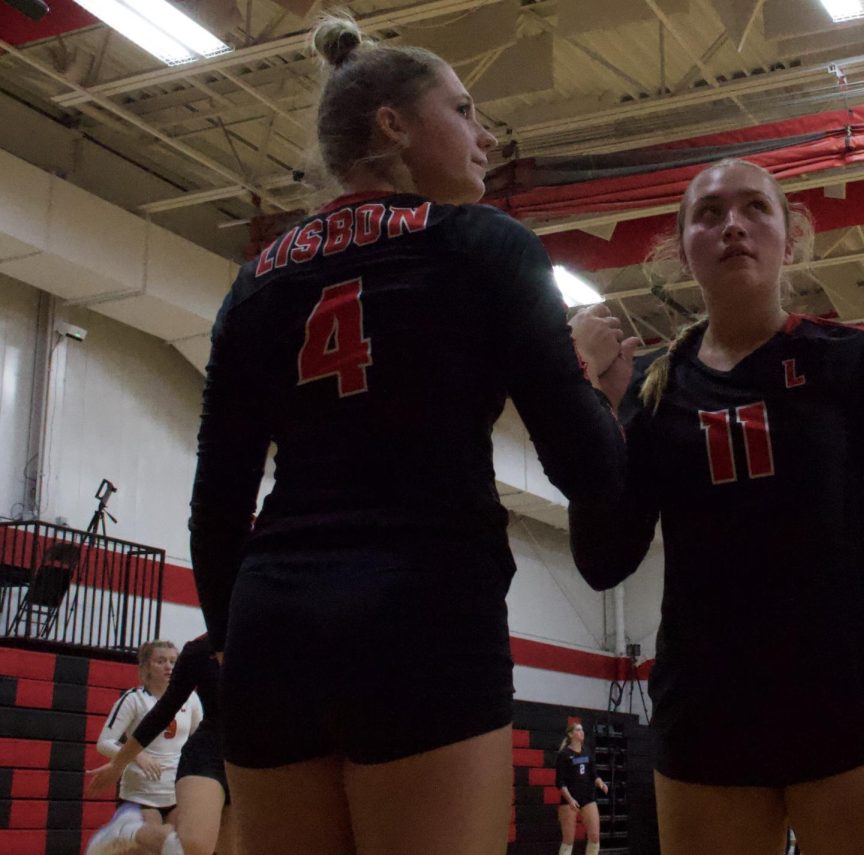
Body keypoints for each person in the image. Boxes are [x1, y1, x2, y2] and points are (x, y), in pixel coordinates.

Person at [187, 12, 634, 855]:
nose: (488, 136)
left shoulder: (255, 282)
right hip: (425, 616)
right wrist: (590, 374)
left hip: (274, 627)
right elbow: (590, 469)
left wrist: (236, 649)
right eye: (465, 110)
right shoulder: (488, 246)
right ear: (393, 124)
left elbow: (216, 507)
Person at [567, 157, 864, 855]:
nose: (733, 227)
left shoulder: (854, 360)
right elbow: (604, 560)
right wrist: (593, 405)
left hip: (849, 709)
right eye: (709, 215)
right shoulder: (652, 394)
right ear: (681, 246)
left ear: (790, 234)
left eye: (755, 209)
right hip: (704, 724)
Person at [87, 634, 231, 855]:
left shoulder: (192, 701)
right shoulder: (134, 699)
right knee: (183, 848)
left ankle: (130, 834)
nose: (168, 666)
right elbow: (106, 740)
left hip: (175, 783)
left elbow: (193, 733)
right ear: (146, 666)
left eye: (172, 661)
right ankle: (126, 830)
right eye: (161, 661)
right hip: (144, 789)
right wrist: (127, 760)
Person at [555, 722, 608, 855]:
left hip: (588, 797)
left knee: (595, 836)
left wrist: (601, 783)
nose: (582, 732)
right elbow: (559, 782)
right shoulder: (564, 755)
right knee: (568, 840)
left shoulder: (587, 751)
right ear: (571, 734)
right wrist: (570, 799)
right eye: (578, 730)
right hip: (570, 799)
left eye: (582, 730)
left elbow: (594, 774)